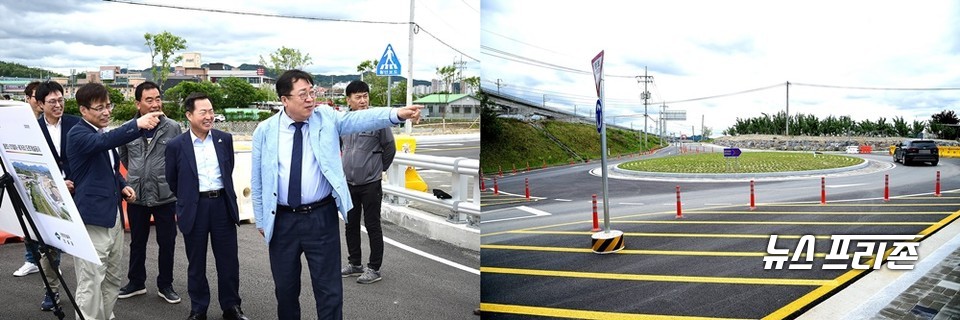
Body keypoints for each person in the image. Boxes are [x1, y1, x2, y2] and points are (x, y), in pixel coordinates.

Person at [251, 69, 422, 319]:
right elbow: (257, 179)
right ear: (284, 99)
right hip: (283, 220)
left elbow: (362, 119)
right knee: (285, 290)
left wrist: (396, 114)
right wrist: (261, 218)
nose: (310, 99)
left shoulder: (326, 118)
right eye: (303, 94)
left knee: (329, 289)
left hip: (321, 217)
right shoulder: (264, 131)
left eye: (312, 92)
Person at [67, 82, 164, 320]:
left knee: (112, 277)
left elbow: (110, 169)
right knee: (91, 279)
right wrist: (136, 124)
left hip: (113, 217)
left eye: (108, 106)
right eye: (99, 107)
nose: (106, 112)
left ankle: (105, 315)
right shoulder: (79, 134)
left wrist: (123, 186)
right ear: (83, 110)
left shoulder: (101, 133)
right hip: (93, 219)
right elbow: (103, 143)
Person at [165, 92, 248, 320]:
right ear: (189, 115)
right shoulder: (176, 146)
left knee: (229, 261)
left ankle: (231, 307)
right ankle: (198, 309)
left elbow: (227, 169)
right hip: (195, 208)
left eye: (211, 111)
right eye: (203, 112)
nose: (209, 116)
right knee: (196, 263)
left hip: (222, 205)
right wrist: (189, 198)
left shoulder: (224, 139)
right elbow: (172, 179)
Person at [116, 81, 182, 304]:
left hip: (165, 195)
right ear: (138, 103)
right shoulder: (129, 127)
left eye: (158, 98)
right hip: (137, 194)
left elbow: (178, 159)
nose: (155, 104)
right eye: (149, 100)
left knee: (167, 242)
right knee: (137, 241)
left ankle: (166, 285)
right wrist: (137, 175)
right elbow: (124, 157)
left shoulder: (173, 127)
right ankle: (136, 282)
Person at [339, 80, 395, 284]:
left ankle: (374, 268)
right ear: (349, 100)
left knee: (373, 225)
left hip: (371, 183)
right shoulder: (343, 122)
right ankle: (355, 263)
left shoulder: (377, 121)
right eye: (358, 97)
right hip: (349, 183)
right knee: (350, 224)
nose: (362, 101)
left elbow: (390, 148)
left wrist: (379, 169)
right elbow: (339, 148)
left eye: (365, 96)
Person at [34, 81, 82, 311]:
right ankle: (51, 291)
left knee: (84, 243)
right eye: (52, 101)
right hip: (50, 194)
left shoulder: (76, 123)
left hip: (79, 190)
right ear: (40, 104)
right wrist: (57, 184)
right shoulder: (32, 130)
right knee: (49, 247)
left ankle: (87, 293)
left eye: (61, 100)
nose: (58, 105)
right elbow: (34, 167)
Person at [12, 81, 44, 279]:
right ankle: (31, 260)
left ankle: (50, 262)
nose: (40, 101)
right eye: (36, 97)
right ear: (28, 99)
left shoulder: (50, 123)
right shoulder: (18, 123)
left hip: (47, 178)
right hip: (25, 177)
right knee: (27, 221)